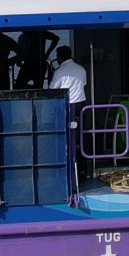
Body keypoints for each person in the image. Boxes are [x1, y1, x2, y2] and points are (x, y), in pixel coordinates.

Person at [50, 43, 88, 180]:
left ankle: (67, 168)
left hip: (67, 106)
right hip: (81, 106)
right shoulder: (81, 69)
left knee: (65, 137)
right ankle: (82, 170)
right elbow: (84, 84)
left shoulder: (60, 71)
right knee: (79, 137)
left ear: (59, 57)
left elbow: (53, 89)